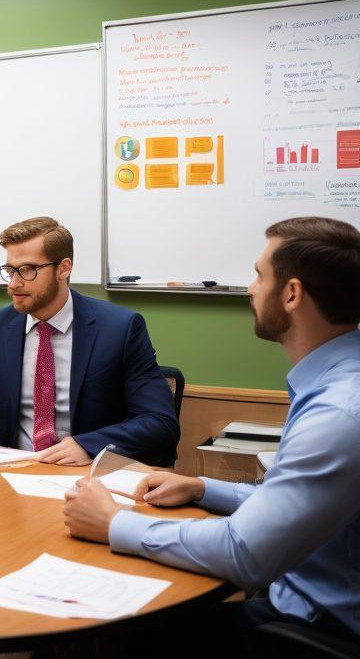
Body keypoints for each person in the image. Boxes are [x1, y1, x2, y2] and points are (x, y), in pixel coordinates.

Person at [64, 217, 360, 653]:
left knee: (104, 630)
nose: (249, 289)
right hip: (304, 597)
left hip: (317, 627)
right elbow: (294, 502)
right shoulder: (337, 379)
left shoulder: (338, 412)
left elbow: (246, 553)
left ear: (292, 294)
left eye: (259, 275)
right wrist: (203, 488)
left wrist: (114, 523)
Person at [0, 217, 178, 467]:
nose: (14, 284)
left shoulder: (119, 329)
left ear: (63, 268)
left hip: (89, 477)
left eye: (27, 270)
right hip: (14, 473)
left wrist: (88, 445)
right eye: (10, 271)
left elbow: (160, 423)